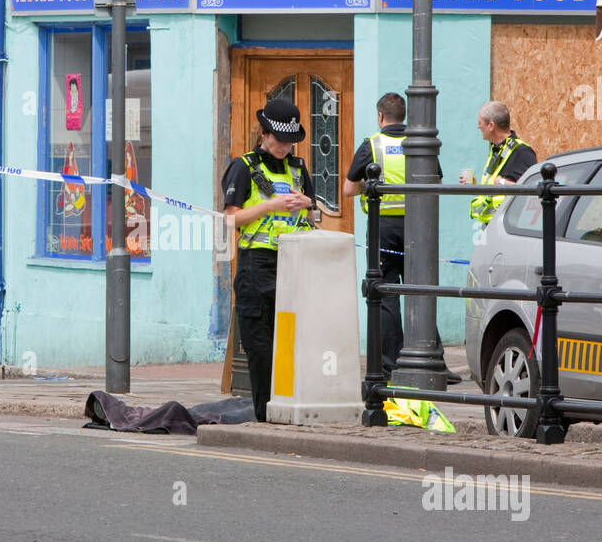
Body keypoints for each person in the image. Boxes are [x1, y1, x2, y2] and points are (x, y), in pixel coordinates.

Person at [343, 93, 458, 382]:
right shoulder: (418, 142)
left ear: (381, 117)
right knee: (421, 291)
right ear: (404, 115)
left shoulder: (372, 144)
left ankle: (390, 364)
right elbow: (437, 182)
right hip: (417, 226)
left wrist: (372, 187)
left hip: (383, 227)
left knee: (385, 295)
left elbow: (347, 189)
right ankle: (435, 361)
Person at [222, 97, 316, 422]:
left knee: (290, 346)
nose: (285, 147)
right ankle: (265, 416)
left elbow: (314, 216)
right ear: (264, 133)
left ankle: (288, 411)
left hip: (293, 266)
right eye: (279, 140)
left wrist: (307, 204)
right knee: (260, 350)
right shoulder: (244, 167)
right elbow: (230, 219)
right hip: (256, 268)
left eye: (291, 142)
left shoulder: (298, 168)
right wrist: (271, 205)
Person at [465, 100, 537, 224]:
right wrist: (475, 185)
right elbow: (492, 189)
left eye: (480, 123)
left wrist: (502, 182)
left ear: (491, 125)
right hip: (492, 225)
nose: (478, 126)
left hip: (511, 227)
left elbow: (532, 190)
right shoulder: (497, 150)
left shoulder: (522, 152)